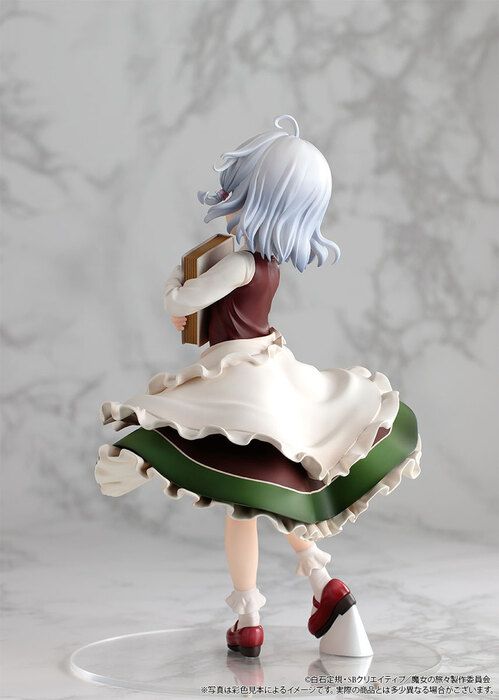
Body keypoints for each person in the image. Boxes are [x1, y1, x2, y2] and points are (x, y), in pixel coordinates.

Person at [95, 115, 421, 658]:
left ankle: (250, 619)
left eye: (240, 188)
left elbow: (181, 302)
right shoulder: (268, 265)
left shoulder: (242, 263)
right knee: (269, 492)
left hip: (236, 381)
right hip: (268, 370)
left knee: (239, 494)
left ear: (258, 197)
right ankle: (321, 583)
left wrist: (178, 276)